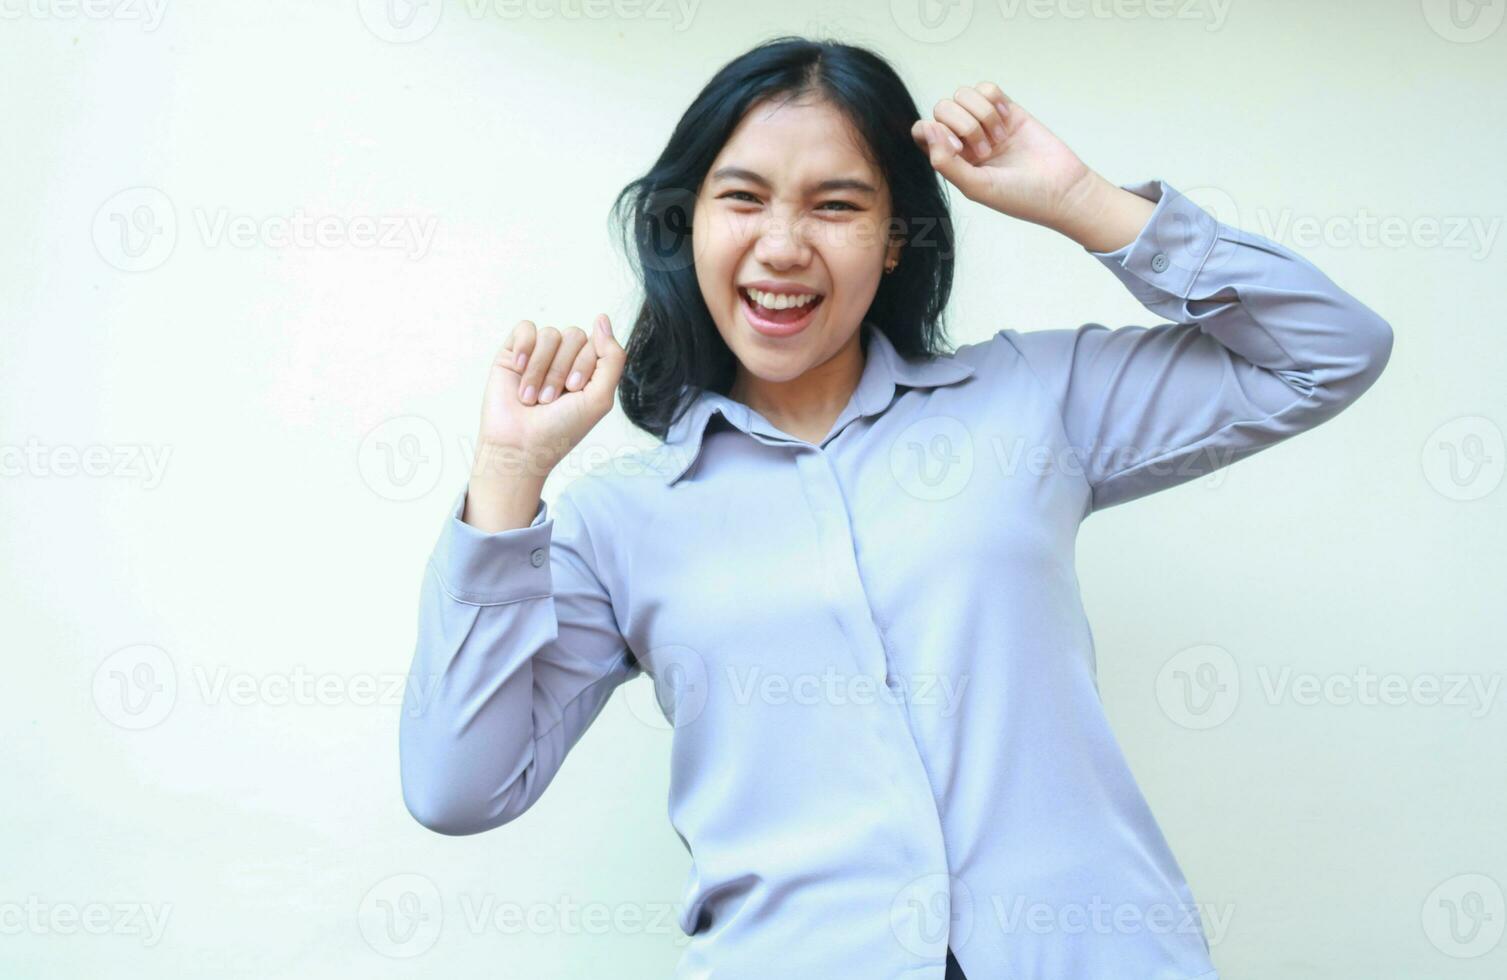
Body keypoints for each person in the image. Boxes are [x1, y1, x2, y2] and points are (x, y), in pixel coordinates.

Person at [398, 36, 1392, 980]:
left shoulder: (1031, 400)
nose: (781, 244)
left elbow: (1330, 349)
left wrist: (1084, 202)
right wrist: (505, 478)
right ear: (684, 227)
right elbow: (456, 786)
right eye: (740, 198)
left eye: (837, 205)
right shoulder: (620, 519)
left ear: (895, 241)